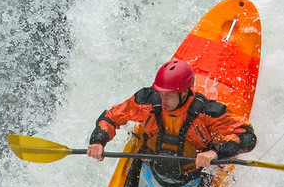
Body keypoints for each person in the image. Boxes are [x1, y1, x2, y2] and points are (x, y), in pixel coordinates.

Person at [86, 58, 256, 172]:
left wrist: (215, 153)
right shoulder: (147, 101)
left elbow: (247, 136)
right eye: (161, 92)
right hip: (151, 166)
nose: (162, 98)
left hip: (192, 172)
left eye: (168, 94)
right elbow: (111, 116)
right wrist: (98, 141)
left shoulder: (207, 111)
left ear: (184, 92)